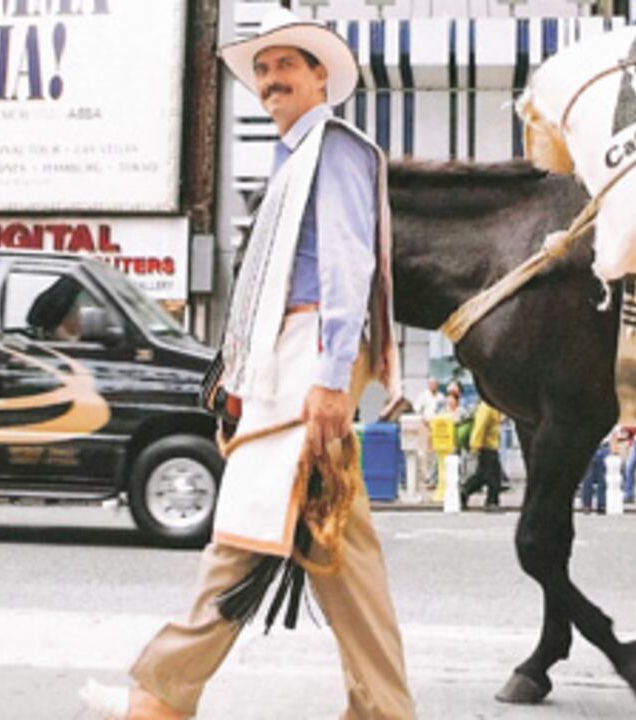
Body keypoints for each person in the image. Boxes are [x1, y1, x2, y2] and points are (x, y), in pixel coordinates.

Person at [80, 9, 414, 719]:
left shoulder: (334, 150)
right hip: (288, 359)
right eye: (262, 70)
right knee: (338, 549)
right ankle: (383, 710)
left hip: (309, 359)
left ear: (322, 77)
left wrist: (329, 380)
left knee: (247, 524)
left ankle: (160, 696)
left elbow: (347, 269)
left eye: (286, 65)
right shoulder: (294, 157)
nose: (270, 80)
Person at [460, 400, 504, 510]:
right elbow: (479, 426)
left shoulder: (493, 406)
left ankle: (464, 492)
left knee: (482, 476)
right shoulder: (486, 407)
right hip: (486, 447)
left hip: (490, 446)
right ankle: (491, 502)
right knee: (494, 477)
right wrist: (475, 445)